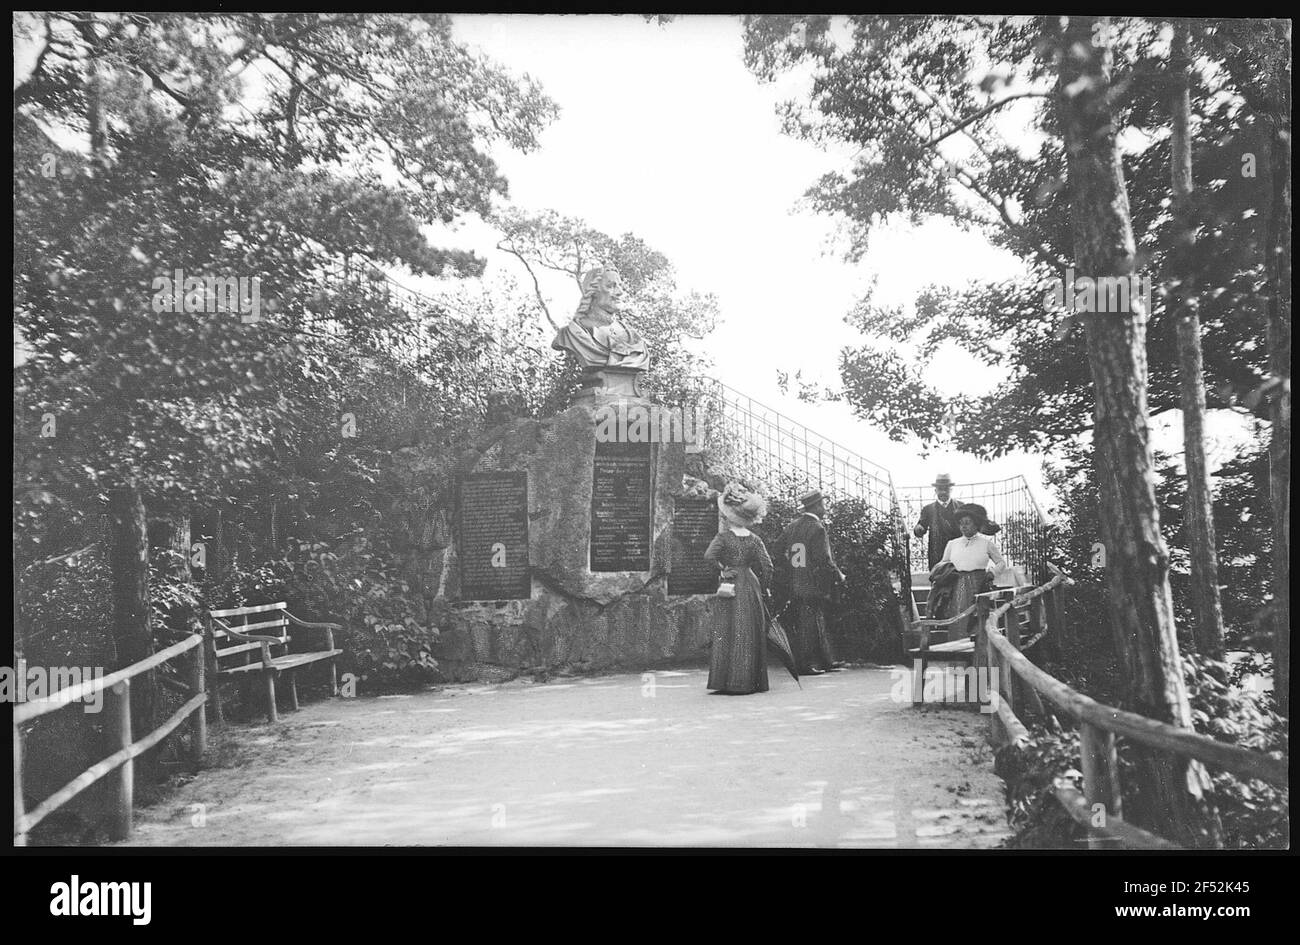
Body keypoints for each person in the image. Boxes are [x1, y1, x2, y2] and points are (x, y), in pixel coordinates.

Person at [704, 484, 774, 695]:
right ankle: (750, 681)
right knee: (748, 630)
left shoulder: (723, 538)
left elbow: (709, 557)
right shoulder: (755, 540)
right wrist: (765, 586)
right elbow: (768, 566)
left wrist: (723, 570)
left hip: (731, 585)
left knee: (727, 630)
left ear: (730, 516)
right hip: (750, 584)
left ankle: (725, 681)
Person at [772, 490, 844, 675]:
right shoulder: (817, 528)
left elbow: (777, 549)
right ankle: (804, 664)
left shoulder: (793, 526)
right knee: (810, 622)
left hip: (796, 581)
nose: (825, 508)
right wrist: (838, 575)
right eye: (823, 505)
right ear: (817, 506)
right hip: (813, 582)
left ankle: (826, 660)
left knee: (815, 619)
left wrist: (792, 567)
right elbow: (823, 559)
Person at [931, 504, 1007, 640]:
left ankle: (980, 656)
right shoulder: (952, 544)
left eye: (967, 523)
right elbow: (943, 563)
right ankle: (957, 654)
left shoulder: (986, 544)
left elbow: (1001, 563)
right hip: (958, 585)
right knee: (958, 617)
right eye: (961, 523)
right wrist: (945, 573)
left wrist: (993, 573)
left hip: (980, 584)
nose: (963, 526)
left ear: (976, 524)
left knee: (981, 618)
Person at [913, 473, 964, 569]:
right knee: (938, 582)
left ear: (951, 490)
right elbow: (921, 526)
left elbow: (972, 526)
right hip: (937, 556)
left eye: (946, 489)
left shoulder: (961, 507)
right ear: (935, 490)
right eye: (940, 489)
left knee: (960, 582)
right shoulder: (928, 509)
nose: (943, 492)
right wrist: (919, 529)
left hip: (958, 555)